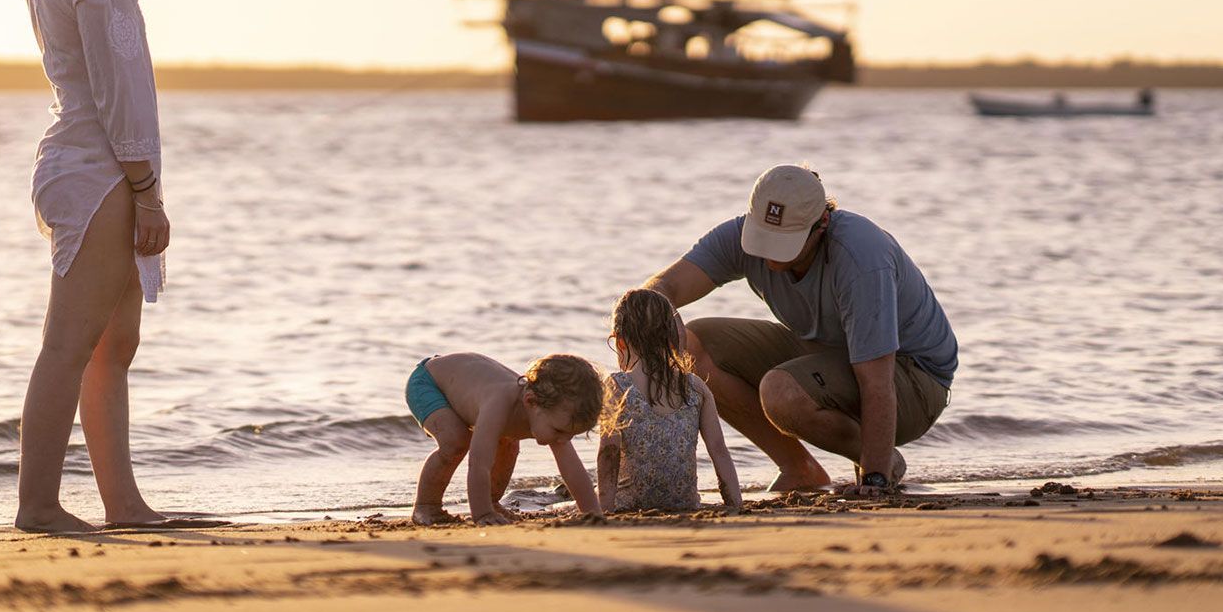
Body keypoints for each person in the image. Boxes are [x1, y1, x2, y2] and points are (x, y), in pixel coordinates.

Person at [15, 0, 173, 533]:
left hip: (77, 158)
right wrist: (145, 190)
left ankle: (123, 504)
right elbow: (120, 84)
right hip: (101, 166)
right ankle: (39, 506)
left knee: (113, 344)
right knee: (70, 344)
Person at [645, 164, 958, 499]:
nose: (768, 253)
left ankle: (882, 461)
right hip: (831, 353)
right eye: (763, 236)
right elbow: (662, 286)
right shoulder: (738, 236)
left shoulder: (861, 256)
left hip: (914, 378)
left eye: (784, 243)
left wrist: (875, 475)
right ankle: (799, 470)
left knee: (781, 392)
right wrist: (663, 311)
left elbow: (877, 381)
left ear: (821, 223)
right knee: (694, 343)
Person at [405, 353, 605, 525]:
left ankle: (492, 501)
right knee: (456, 441)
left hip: (459, 380)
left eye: (572, 434)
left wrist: (592, 513)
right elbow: (479, 463)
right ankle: (426, 505)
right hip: (429, 382)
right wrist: (481, 513)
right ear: (531, 402)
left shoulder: (551, 414)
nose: (564, 439)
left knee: (508, 443)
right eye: (559, 431)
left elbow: (572, 470)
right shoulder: (499, 402)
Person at [596, 288, 742, 514]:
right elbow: (718, 450)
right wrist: (735, 505)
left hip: (630, 504)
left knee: (561, 501)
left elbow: (609, 452)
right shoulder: (695, 387)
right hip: (685, 503)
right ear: (671, 338)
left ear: (620, 343)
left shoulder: (616, 386)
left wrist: (604, 509)